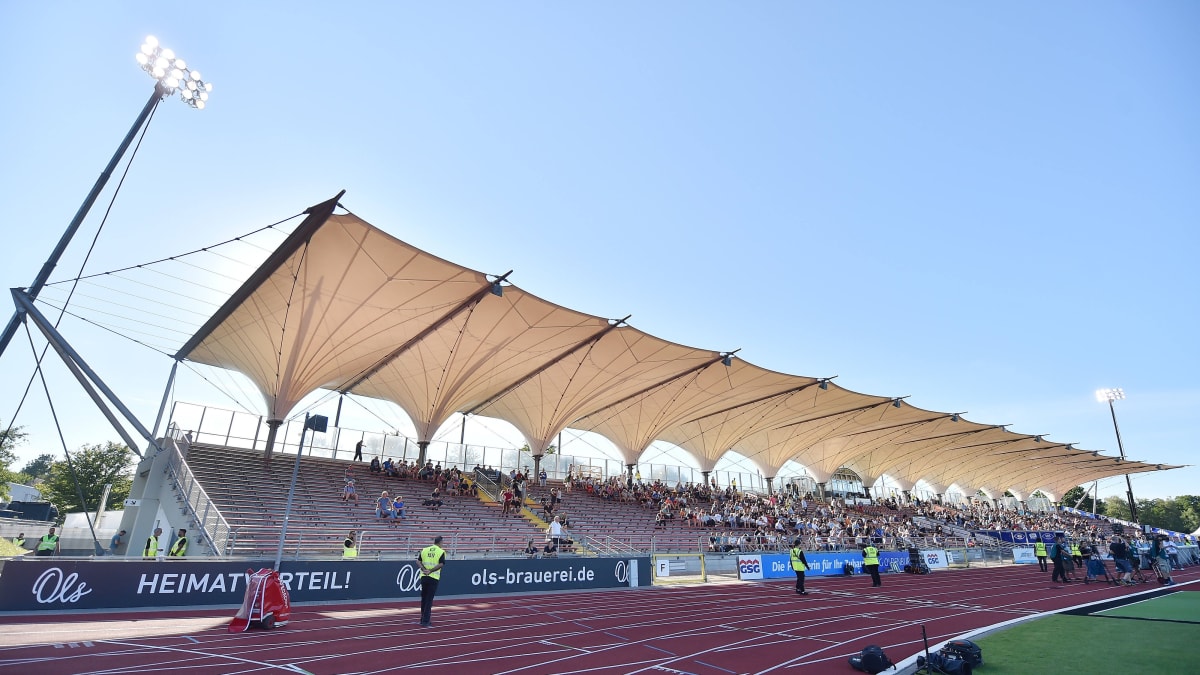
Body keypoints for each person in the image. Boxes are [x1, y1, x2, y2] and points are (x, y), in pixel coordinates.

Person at [417, 535, 446, 627]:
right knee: (429, 599)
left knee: (424, 598)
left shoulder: (425, 550)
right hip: (433, 577)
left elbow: (418, 561)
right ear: (440, 542)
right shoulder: (441, 551)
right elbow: (441, 564)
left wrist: (423, 569)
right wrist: (430, 571)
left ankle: (422, 619)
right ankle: (426, 621)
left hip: (423, 576)